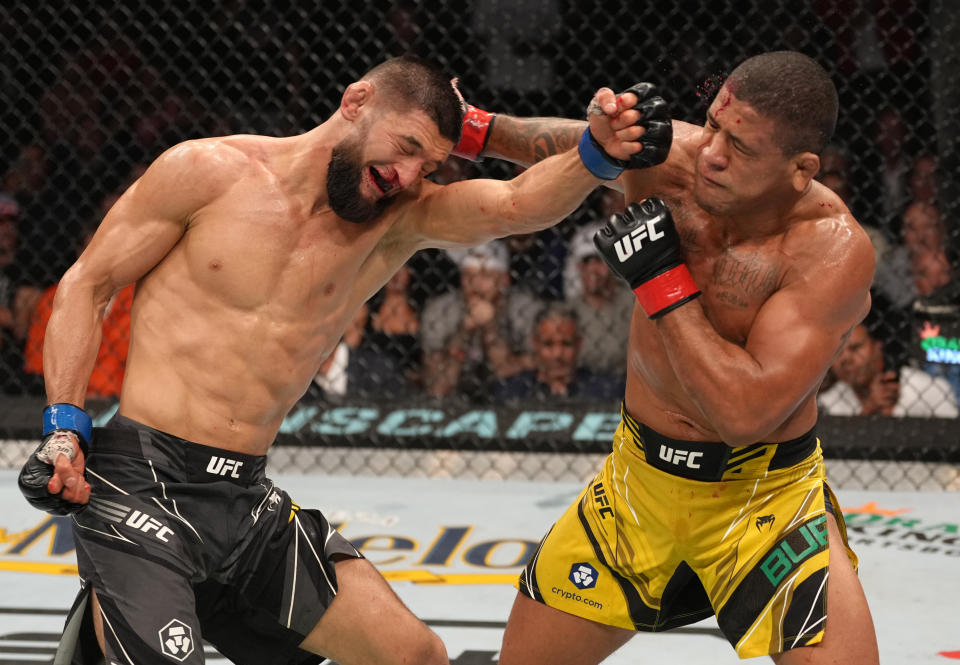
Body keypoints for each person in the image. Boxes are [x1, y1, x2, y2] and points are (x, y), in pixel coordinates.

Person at [16, 54, 670, 665]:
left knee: (417, 654)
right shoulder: (208, 172)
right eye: (408, 147)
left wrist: (595, 153)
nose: (410, 176)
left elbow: (518, 204)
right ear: (356, 101)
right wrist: (66, 428)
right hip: (141, 477)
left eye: (430, 165)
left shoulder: (396, 223)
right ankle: (119, 600)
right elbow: (86, 286)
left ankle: (108, 621)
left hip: (242, 497)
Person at [466, 51, 881, 663]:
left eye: (739, 146)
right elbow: (558, 142)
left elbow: (745, 414)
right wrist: (469, 127)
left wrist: (661, 281)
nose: (711, 151)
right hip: (638, 484)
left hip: (765, 499)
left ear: (801, 169)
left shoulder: (831, 251)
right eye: (713, 123)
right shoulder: (679, 160)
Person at [422, 241, 542, 401]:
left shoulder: (526, 309)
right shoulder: (441, 310)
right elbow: (439, 387)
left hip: (515, 397)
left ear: (504, 280)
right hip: (456, 396)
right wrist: (465, 330)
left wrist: (491, 326)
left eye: (486, 276)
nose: (476, 285)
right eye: (469, 276)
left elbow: (504, 370)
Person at [817, 318, 958, 418]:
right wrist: (869, 410)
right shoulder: (827, 401)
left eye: (855, 348)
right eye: (837, 352)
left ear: (878, 347)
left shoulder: (926, 387)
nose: (845, 359)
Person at [490, 301, 623, 402]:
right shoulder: (510, 390)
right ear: (535, 343)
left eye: (566, 344)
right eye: (548, 344)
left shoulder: (606, 389)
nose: (557, 354)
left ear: (578, 344)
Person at [562, 219, 633, 376]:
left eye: (600, 260)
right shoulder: (570, 310)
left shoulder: (634, 303)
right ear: (579, 267)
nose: (593, 269)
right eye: (587, 261)